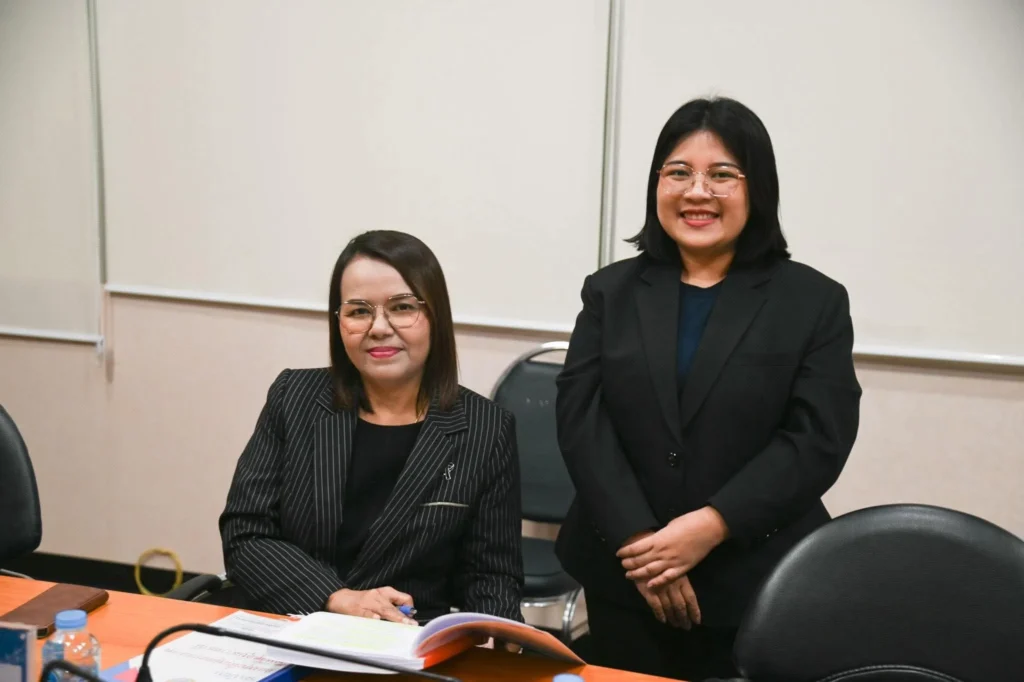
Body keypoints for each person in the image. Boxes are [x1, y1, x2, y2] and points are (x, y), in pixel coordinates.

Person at [554, 97, 861, 679]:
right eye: (678, 172)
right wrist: (643, 546)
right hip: (623, 569)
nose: (698, 191)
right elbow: (581, 418)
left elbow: (817, 438)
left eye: (722, 174)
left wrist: (710, 525)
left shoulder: (813, 301)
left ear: (758, 188)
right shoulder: (610, 292)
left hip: (752, 573)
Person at [220, 230, 524, 625]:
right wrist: (336, 598)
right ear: (338, 320)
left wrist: (495, 637)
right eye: (359, 311)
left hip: (406, 637)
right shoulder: (293, 396)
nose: (379, 327)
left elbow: (492, 576)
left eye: (402, 307)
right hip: (293, 623)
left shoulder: (486, 428)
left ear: (436, 316)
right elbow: (246, 533)